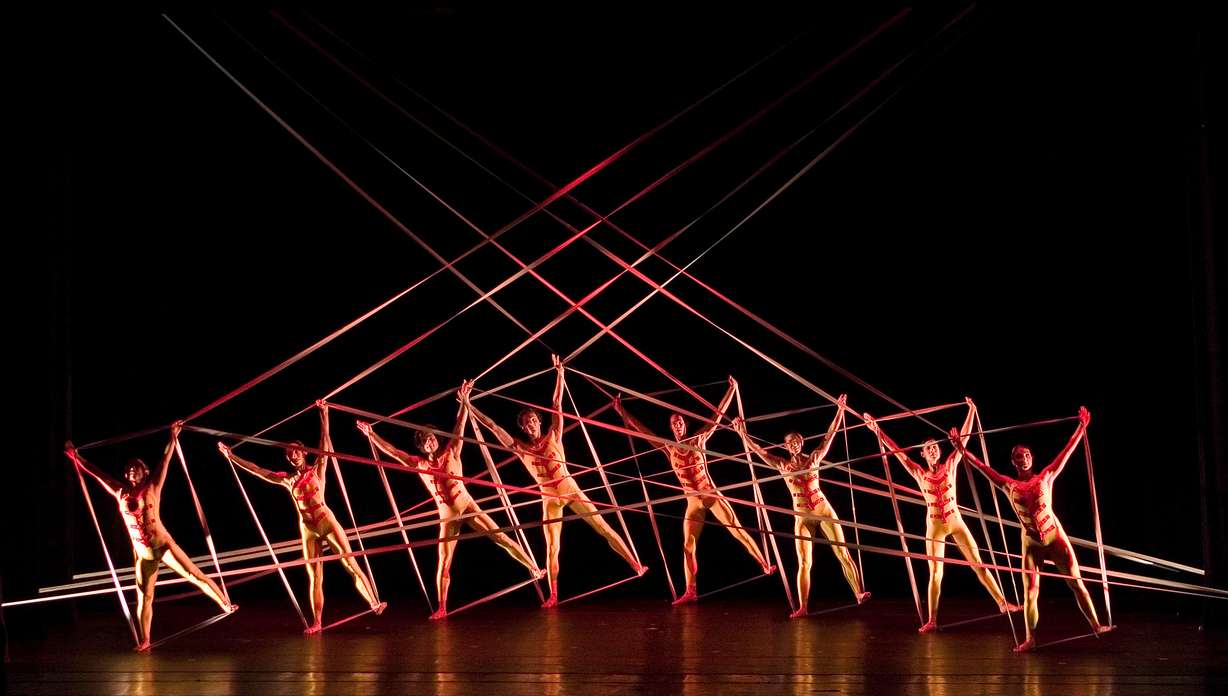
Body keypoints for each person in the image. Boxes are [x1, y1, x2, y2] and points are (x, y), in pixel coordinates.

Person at [465, 356, 644, 607]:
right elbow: (493, 427)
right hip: (549, 499)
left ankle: (634, 564)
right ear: (524, 428)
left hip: (570, 489)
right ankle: (554, 594)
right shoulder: (521, 449)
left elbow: (556, 403)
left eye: (533, 420)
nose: (530, 424)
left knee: (603, 527)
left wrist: (559, 374)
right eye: (526, 423)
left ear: (539, 421)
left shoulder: (554, 434)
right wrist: (468, 404)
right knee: (552, 547)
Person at [359, 379, 543, 619]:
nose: (429, 441)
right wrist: (371, 435)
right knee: (443, 560)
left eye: (432, 437)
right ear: (421, 446)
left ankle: (533, 568)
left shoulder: (452, 451)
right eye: (425, 440)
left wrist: (465, 401)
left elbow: (459, 426)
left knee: (501, 537)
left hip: (467, 505)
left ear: (437, 439)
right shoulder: (419, 464)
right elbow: (393, 452)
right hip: (447, 514)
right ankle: (442, 607)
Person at [949, 407, 1112, 651]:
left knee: (1076, 583)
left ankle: (1096, 625)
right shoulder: (1008, 485)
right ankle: (1031, 638)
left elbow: (1066, 452)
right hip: (1031, 542)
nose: (1023, 458)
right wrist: (961, 449)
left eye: (1026, 455)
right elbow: (983, 468)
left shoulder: (1046, 477)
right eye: (1018, 456)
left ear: (1031, 458)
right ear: (1013, 462)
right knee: (1031, 591)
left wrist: (1081, 428)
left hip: (1055, 536)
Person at [67, 422, 236, 651]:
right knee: (145, 597)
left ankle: (224, 603)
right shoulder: (120, 492)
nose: (130, 471)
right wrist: (76, 457)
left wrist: (173, 436)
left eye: (135, 468)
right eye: (128, 469)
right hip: (144, 554)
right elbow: (98, 475)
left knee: (194, 575)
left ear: (145, 471)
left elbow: (165, 460)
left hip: (163, 545)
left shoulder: (153, 486)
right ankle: (145, 639)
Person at [218, 401, 384, 633]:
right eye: (288, 453)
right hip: (307, 528)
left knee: (350, 563)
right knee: (314, 575)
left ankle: (373, 602)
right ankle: (317, 622)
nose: (292, 455)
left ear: (304, 453)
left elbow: (324, 442)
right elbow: (257, 470)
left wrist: (324, 414)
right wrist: (231, 456)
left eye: (296, 451)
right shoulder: (287, 479)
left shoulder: (317, 469)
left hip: (327, 522)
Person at [614, 377, 773, 604]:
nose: (677, 425)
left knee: (736, 530)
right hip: (693, 503)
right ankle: (691, 590)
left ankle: (764, 563)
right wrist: (621, 410)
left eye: (680, 422)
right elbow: (640, 429)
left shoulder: (699, 439)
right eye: (673, 423)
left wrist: (731, 389)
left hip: (711, 495)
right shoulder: (668, 448)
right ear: (671, 428)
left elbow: (717, 416)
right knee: (688, 546)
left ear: (685, 424)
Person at [864, 398, 1017, 632]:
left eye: (935, 445)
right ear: (923, 455)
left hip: (956, 521)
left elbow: (963, 440)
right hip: (935, 525)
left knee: (979, 564)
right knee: (936, 573)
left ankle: (1002, 603)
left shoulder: (950, 464)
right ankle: (932, 619)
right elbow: (896, 451)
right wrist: (877, 430)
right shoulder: (918, 472)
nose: (933, 449)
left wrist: (972, 412)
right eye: (928, 448)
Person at [733, 395, 869, 617]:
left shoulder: (814, 458)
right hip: (802, 516)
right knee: (805, 562)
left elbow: (829, 436)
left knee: (843, 553)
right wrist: (741, 432)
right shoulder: (782, 465)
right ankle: (803, 607)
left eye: (796, 441)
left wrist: (840, 410)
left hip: (823, 510)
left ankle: (858, 593)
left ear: (802, 442)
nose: (793, 445)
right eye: (789, 442)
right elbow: (759, 451)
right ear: (786, 446)